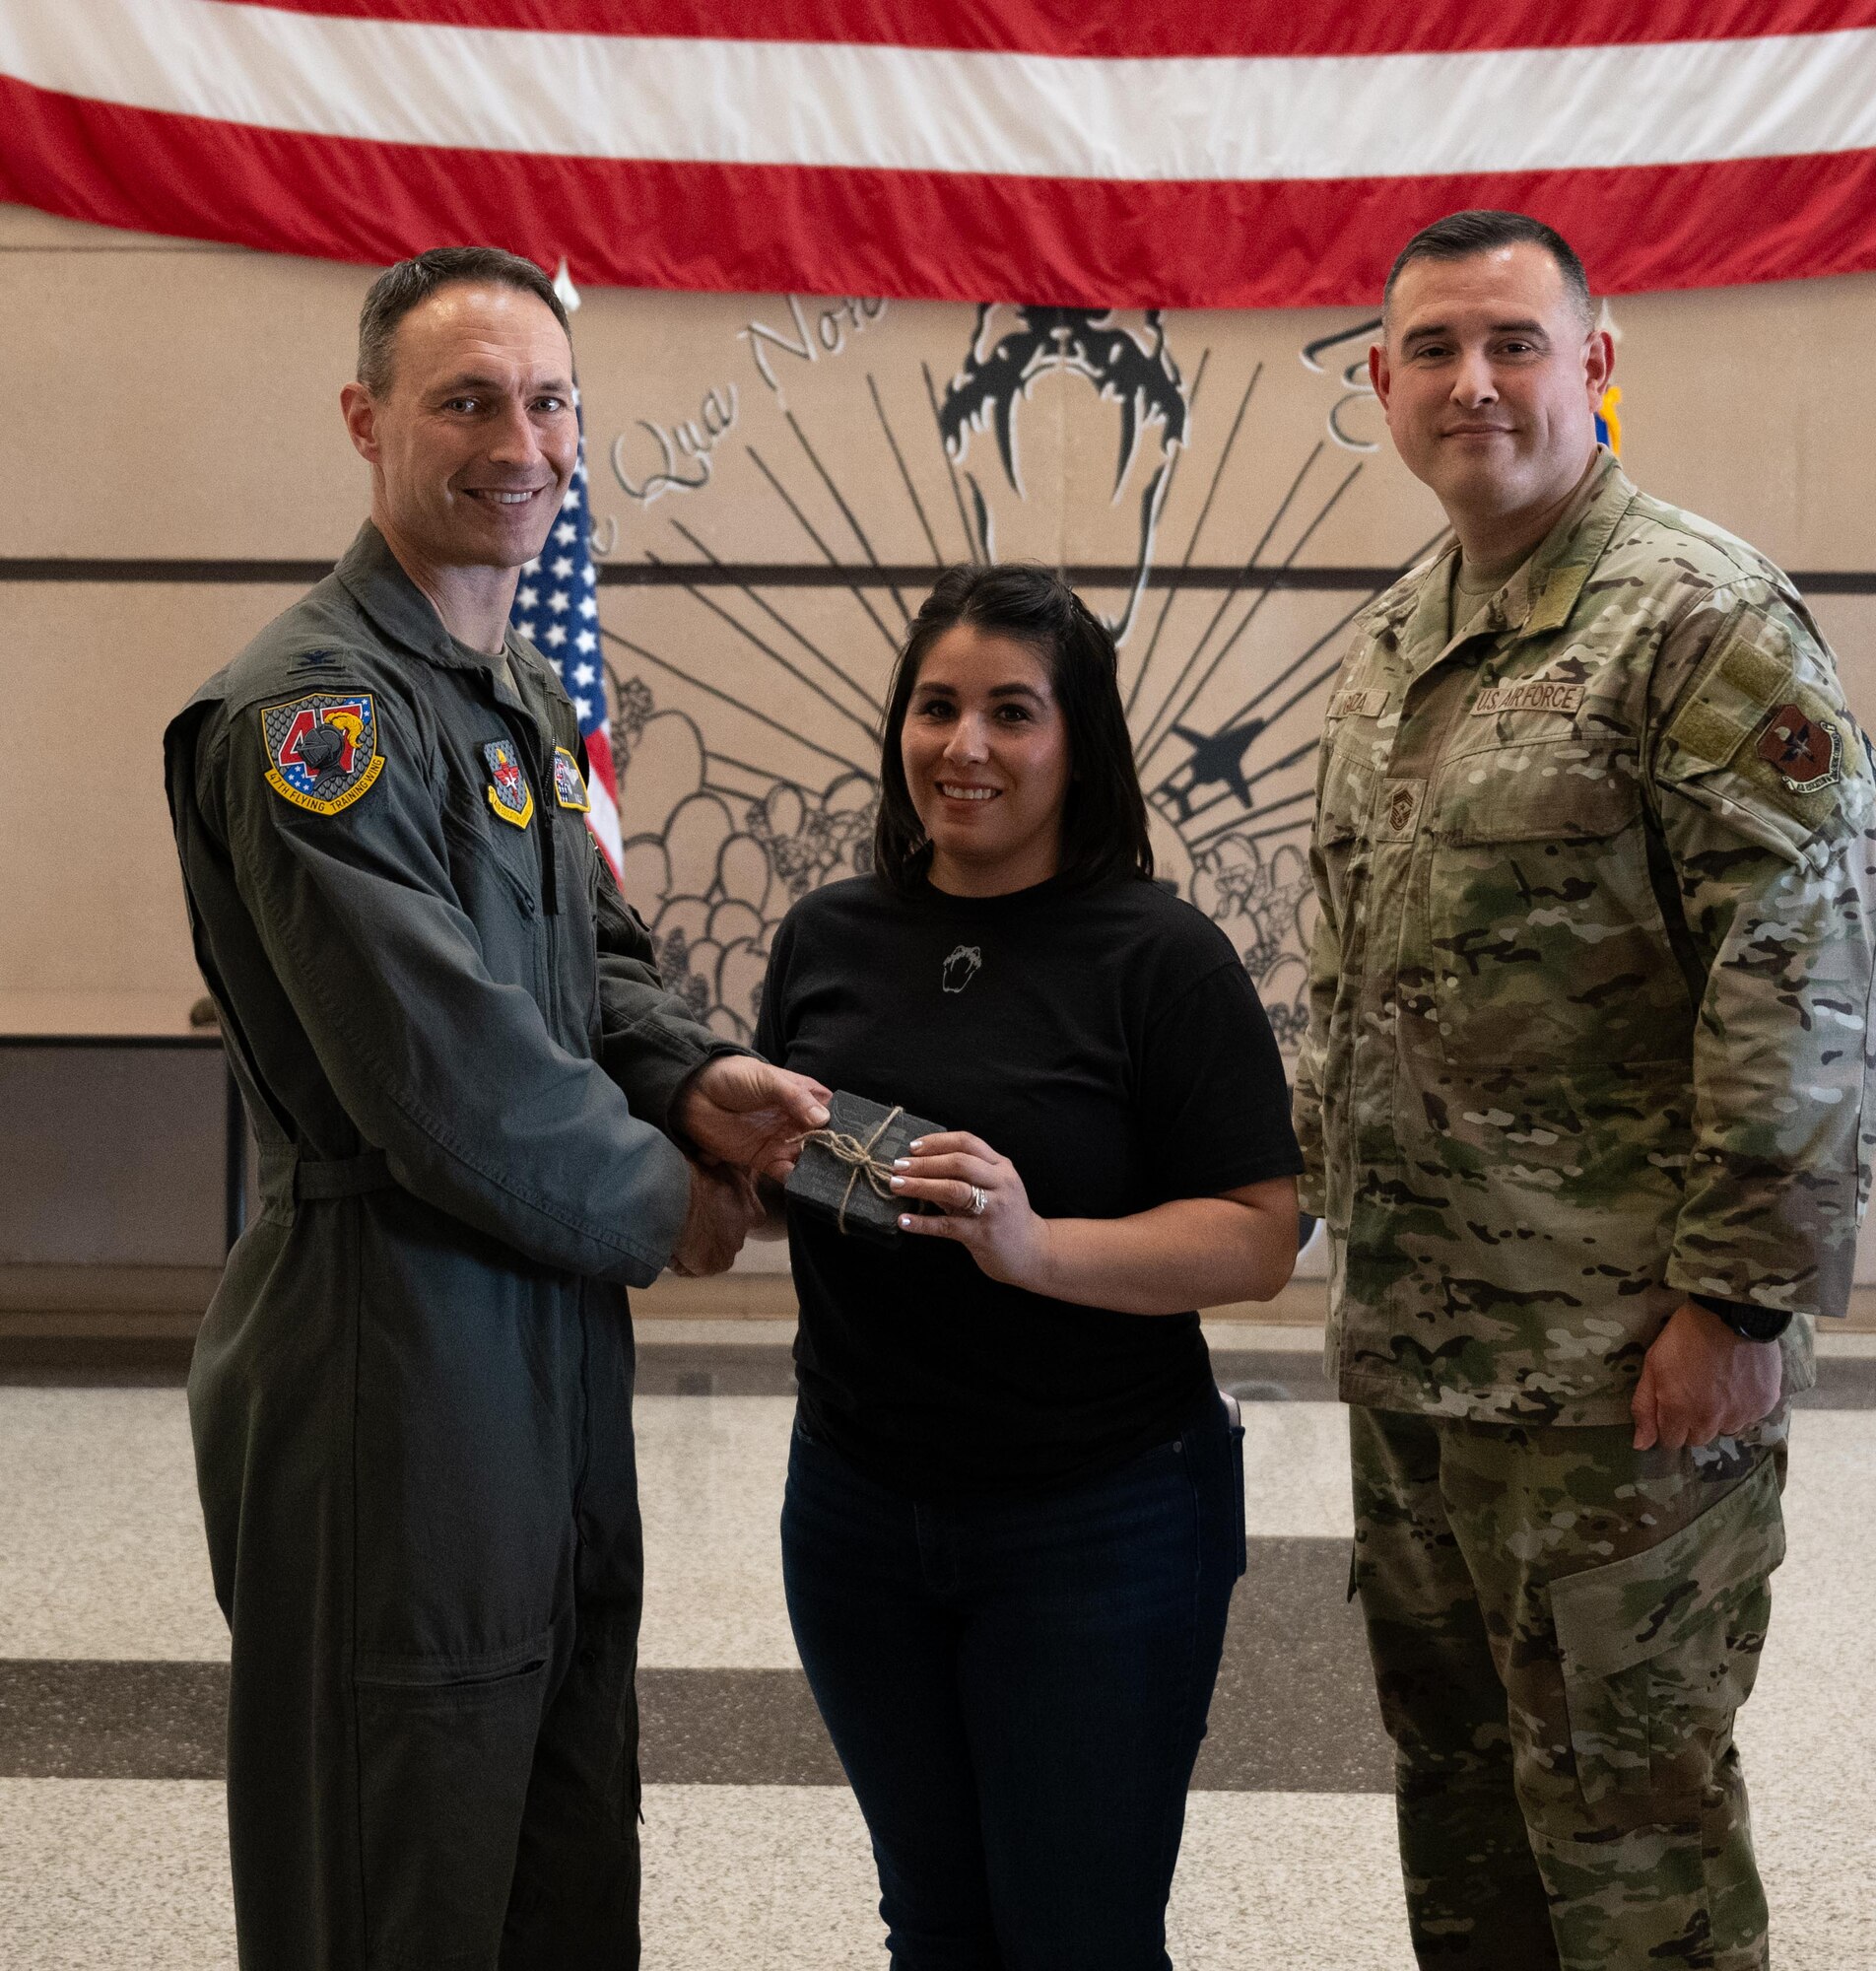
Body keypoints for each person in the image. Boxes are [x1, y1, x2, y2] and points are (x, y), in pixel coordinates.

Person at [163, 245, 829, 1971]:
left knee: (551, 1790)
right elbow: (440, 1070)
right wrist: (663, 1202)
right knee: (402, 1834)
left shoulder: (512, 697)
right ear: (365, 418)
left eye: (548, 402)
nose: (518, 441)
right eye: (466, 400)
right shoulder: (320, 718)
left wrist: (693, 1077)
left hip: (537, 1317)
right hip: (389, 1331)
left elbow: (588, 965)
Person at [1296, 209, 1876, 1970]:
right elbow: (1357, 976)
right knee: (1462, 1809)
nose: (1470, 384)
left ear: (1597, 365)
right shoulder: (1406, 636)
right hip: (1421, 1361)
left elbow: (1810, 987)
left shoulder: (1698, 623)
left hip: (1625, 1382)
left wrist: (1738, 1300)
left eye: (1512, 343)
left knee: (1635, 1841)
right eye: (1429, 350)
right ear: (1384, 384)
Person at [754, 564, 1304, 1969]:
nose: (967, 746)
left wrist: (1032, 1243)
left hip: (1100, 1522)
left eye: (1013, 711)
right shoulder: (827, 939)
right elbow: (803, 1182)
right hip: (858, 1511)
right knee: (934, 1926)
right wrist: (746, 1172)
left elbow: (1256, 1237)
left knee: (1078, 1938)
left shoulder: (1162, 960)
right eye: (936, 707)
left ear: (1079, 743)